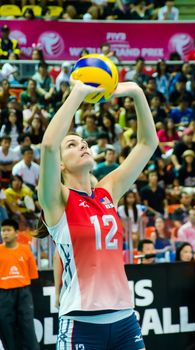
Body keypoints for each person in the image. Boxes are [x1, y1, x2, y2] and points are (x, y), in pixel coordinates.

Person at [38, 79, 158, 349]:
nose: (82, 145)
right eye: (71, 145)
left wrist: (137, 93)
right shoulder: (56, 200)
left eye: (83, 142)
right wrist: (78, 93)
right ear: (59, 164)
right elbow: (47, 146)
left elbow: (148, 144)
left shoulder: (108, 191)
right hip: (81, 325)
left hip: (126, 320)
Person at [0, 219, 39, 350]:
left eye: (8, 230)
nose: (5, 233)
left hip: (23, 292)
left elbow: (33, 275)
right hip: (3, 294)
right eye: (3, 230)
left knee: (27, 327)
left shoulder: (25, 251)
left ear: (17, 233)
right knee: (6, 328)